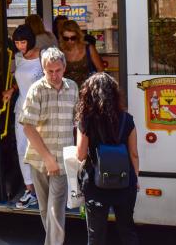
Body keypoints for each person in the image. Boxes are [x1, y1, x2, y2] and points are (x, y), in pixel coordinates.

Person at [19, 47, 79, 245]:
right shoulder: (37, 89)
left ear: (65, 67)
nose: (54, 75)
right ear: (43, 69)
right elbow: (28, 127)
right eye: (49, 71)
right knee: (45, 209)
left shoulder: (73, 88)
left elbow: (78, 124)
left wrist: (79, 153)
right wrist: (47, 157)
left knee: (56, 209)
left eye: (58, 70)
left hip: (62, 160)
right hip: (39, 159)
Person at [75, 73, 139, 245]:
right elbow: (134, 153)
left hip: (96, 184)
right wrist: (135, 178)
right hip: (125, 182)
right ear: (114, 94)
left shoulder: (86, 121)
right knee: (127, 231)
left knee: (96, 236)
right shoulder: (128, 119)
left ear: (88, 94)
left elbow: (80, 155)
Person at [2, 25, 43, 209]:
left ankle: (44, 188)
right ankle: (30, 190)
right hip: (21, 108)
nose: (20, 46)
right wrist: (12, 90)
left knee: (40, 149)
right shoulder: (18, 58)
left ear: (30, 41)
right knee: (21, 149)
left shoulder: (43, 57)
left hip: (40, 110)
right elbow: (21, 81)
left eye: (23, 42)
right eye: (17, 43)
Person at [59, 20, 103, 87]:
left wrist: (95, 85)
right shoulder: (60, 51)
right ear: (62, 38)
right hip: (67, 91)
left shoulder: (89, 48)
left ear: (78, 35)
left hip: (87, 90)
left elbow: (100, 70)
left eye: (73, 38)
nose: (70, 41)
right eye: (66, 38)